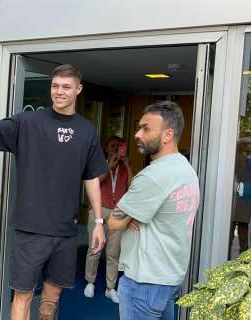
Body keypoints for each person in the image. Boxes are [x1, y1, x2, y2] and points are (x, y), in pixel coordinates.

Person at [0, 64, 108, 320]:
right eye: (55, 86)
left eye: (66, 87)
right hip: (31, 229)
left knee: (52, 296)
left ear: (78, 89)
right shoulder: (28, 122)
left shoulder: (86, 130)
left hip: (65, 231)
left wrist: (98, 222)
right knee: (23, 294)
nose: (59, 91)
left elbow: (91, 177)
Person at [108, 101, 200, 320]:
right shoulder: (185, 169)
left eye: (146, 128)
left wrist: (128, 214)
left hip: (144, 282)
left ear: (168, 135)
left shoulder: (153, 176)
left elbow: (113, 220)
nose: (138, 134)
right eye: (139, 127)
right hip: (168, 278)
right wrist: (131, 213)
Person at [84, 136, 133, 303]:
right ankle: (90, 282)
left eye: (119, 147)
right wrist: (109, 166)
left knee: (113, 252)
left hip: (118, 211)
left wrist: (126, 165)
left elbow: (132, 188)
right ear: (106, 147)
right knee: (95, 249)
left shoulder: (125, 168)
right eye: (112, 146)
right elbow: (95, 183)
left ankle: (110, 288)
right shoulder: (99, 163)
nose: (115, 150)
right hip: (99, 210)